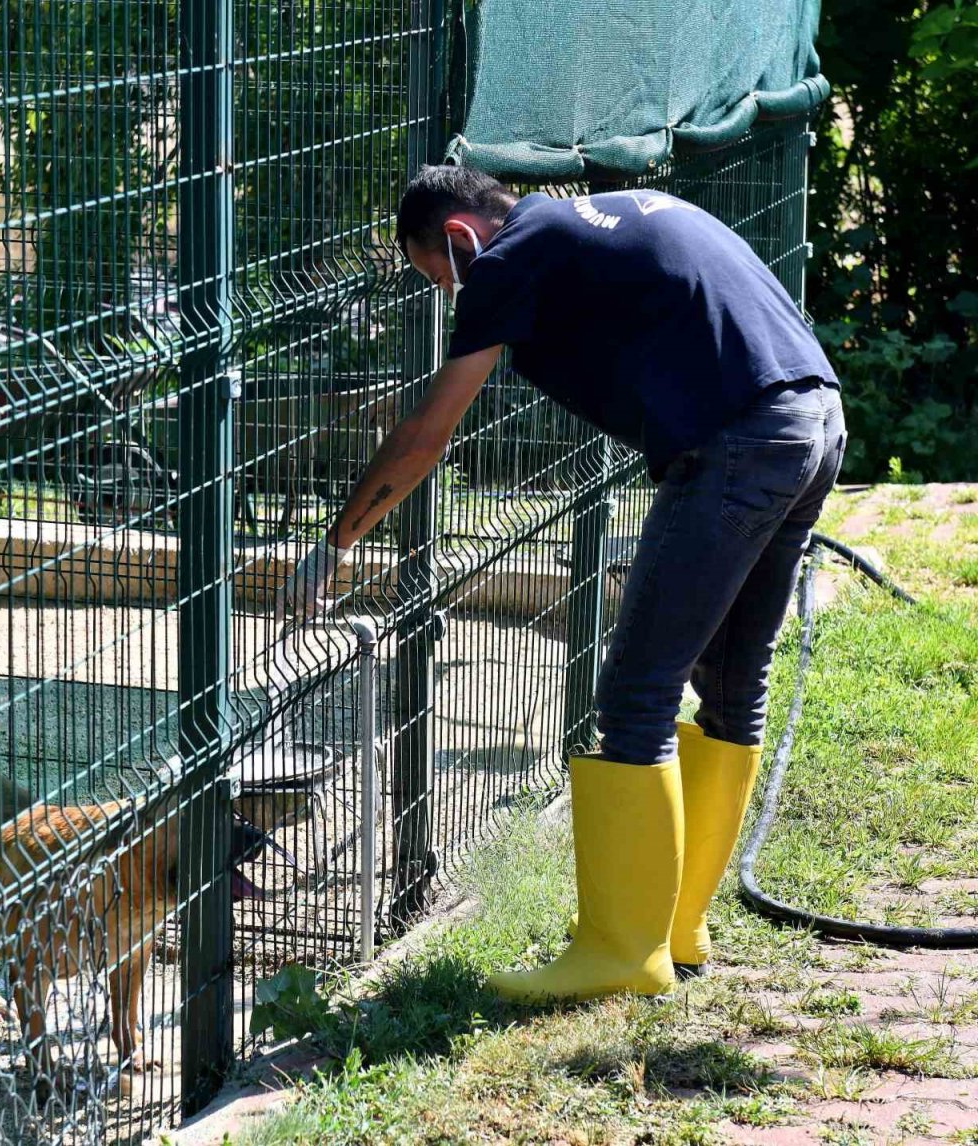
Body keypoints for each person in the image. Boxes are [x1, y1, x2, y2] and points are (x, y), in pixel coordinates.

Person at [277, 165, 845, 1003]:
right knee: (730, 684)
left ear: (463, 238)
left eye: (438, 277)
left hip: (740, 445)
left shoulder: (508, 257)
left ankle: (621, 951)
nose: (449, 296)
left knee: (634, 696)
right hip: (816, 419)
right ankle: (677, 928)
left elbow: (429, 433)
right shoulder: (602, 216)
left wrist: (335, 541)